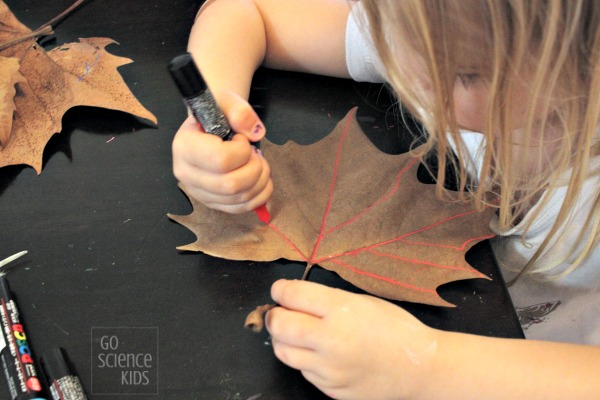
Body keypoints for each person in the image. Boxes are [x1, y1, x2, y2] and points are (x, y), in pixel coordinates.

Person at [172, 0, 600, 398]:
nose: (410, 77)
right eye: (396, 41)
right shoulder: (433, 29)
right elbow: (245, 10)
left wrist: (425, 366)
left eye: (464, 75)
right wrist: (215, 113)